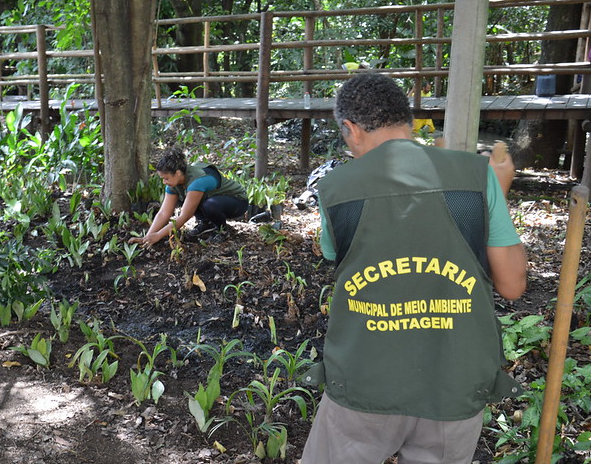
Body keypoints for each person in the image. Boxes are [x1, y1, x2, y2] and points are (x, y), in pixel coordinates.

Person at [301, 73, 527, 463]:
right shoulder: (477, 176)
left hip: (365, 380)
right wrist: (496, 192)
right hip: (454, 383)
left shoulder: (337, 189)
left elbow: (345, 254)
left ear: (350, 129)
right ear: (407, 120)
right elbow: (512, 284)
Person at [130, 147, 248, 246]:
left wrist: (159, 236)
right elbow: (164, 213)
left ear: (177, 173)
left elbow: (185, 216)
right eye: (162, 179)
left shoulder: (197, 181)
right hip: (213, 198)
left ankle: (221, 230)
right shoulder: (174, 183)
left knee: (209, 205)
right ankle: (205, 223)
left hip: (237, 202)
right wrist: (148, 236)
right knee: (189, 200)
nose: (164, 182)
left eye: (166, 178)